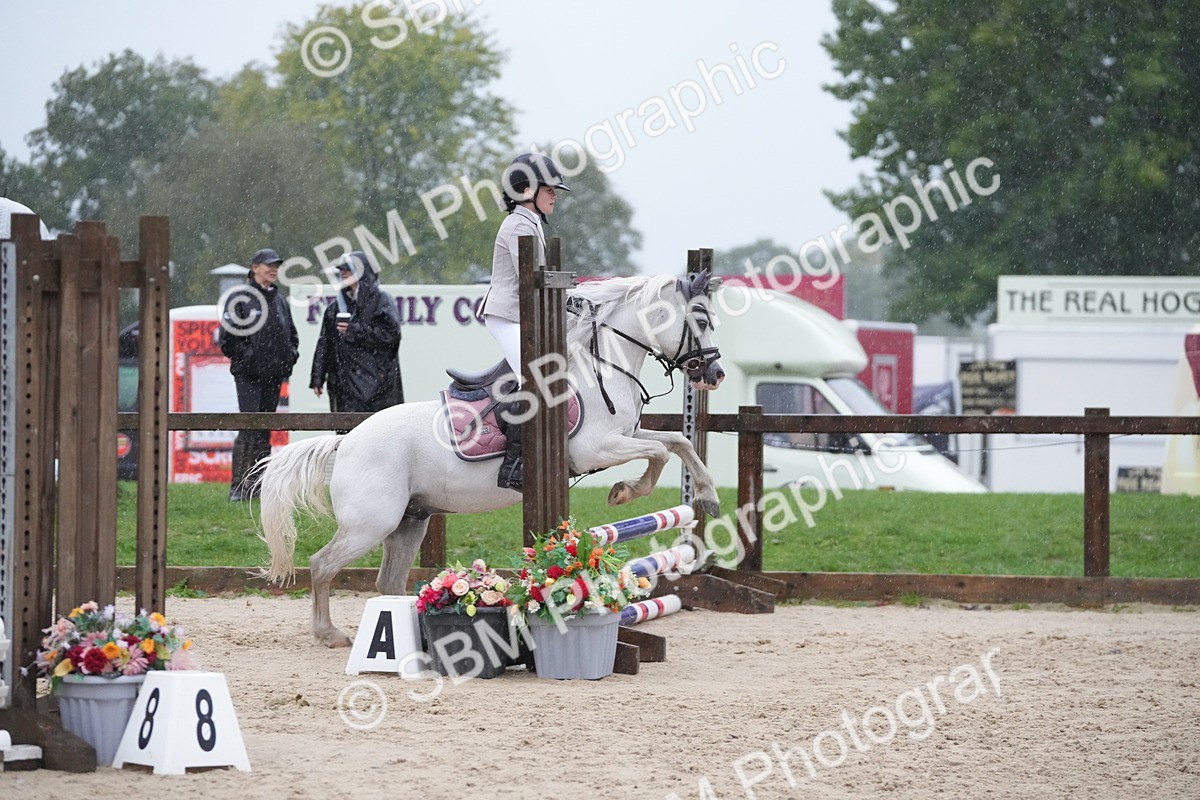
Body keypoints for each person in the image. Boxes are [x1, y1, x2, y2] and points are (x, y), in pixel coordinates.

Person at [479, 152, 570, 490]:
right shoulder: (518, 225)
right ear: (527, 189)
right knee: (535, 382)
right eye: (549, 189)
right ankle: (514, 464)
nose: (555, 195)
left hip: (522, 316)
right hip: (507, 316)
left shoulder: (530, 223)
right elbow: (531, 279)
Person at [219, 247, 300, 501]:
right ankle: (239, 486)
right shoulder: (240, 298)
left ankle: (259, 485)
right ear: (255, 268)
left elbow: (292, 336)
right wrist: (250, 358)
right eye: (269, 265)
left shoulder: (280, 300)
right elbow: (228, 341)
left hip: (274, 376)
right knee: (249, 426)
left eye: (276, 265)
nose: (274, 269)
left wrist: (289, 358)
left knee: (265, 429)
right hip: (249, 376)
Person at [310, 250, 403, 420]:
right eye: (341, 270)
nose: (343, 273)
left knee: (375, 435)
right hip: (343, 383)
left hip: (376, 384)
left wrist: (356, 331)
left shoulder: (381, 300)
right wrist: (318, 376)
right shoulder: (336, 307)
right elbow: (325, 343)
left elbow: (392, 335)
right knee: (345, 436)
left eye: (348, 269)